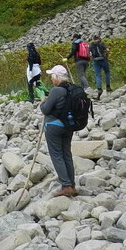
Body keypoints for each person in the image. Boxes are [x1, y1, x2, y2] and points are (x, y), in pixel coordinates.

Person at [38, 65, 76, 197]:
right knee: (66, 154)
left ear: (57, 78)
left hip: (54, 126)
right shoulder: (71, 88)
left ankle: (66, 186)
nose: (51, 78)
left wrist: (43, 99)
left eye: (52, 76)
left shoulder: (56, 91)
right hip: (69, 125)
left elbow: (45, 109)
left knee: (56, 155)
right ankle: (72, 184)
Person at [89, 35, 112, 100]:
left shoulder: (91, 45)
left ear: (93, 39)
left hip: (96, 60)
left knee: (97, 75)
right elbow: (107, 50)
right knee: (107, 72)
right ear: (99, 38)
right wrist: (106, 56)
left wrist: (92, 59)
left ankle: (99, 88)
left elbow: (89, 54)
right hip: (103, 59)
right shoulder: (102, 43)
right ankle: (108, 86)